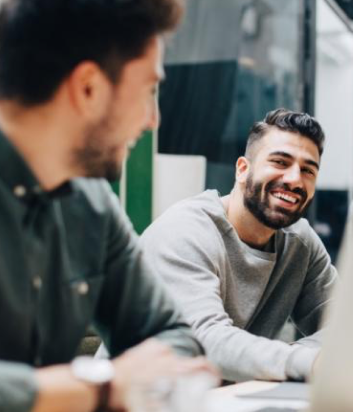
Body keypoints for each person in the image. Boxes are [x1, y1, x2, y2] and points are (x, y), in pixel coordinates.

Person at [0, 1, 217, 412]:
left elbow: (174, 337)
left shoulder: (92, 205)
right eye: (149, 91)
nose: (152, 120)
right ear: (88, 89)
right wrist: (96, 385)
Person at [140, 109, 337, 382]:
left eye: (307, 170)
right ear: (242, 169)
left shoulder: (300, 243)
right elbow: (206, 343)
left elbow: (344, 328)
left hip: (231, 400)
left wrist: (310, 356)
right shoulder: (184, 232)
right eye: (280, 162)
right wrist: (308, 360)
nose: (294, 179)